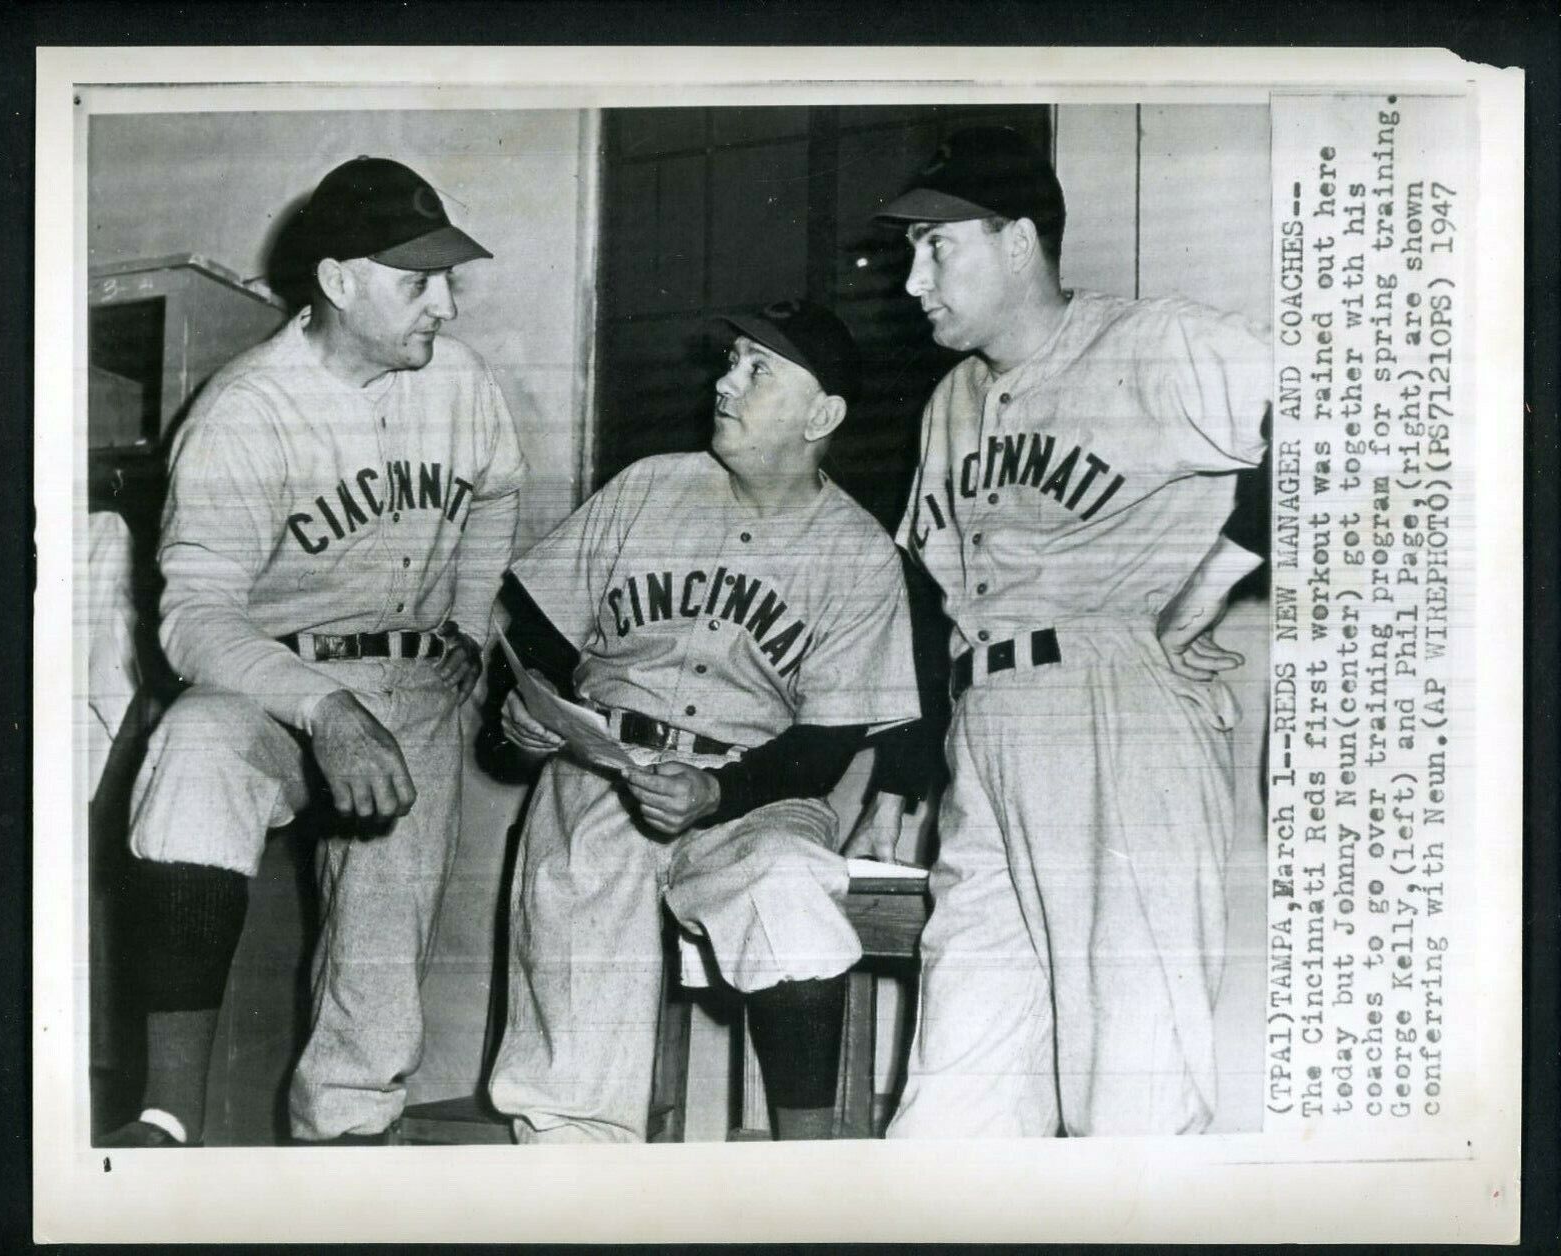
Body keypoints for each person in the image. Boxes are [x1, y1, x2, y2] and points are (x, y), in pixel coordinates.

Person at [845, 126, 1271, 1137]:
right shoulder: (950, 401)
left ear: (1020, 240)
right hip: (983, 730)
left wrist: (1216, 576)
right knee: (954, 1094)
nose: (913, 281)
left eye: (937, 247)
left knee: (1131, 1078)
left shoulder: (1151, 342)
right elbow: (929, 591)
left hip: (1112, 705)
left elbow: (1365, 410)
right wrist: (907, 775)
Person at [95, 157, 525, 1147]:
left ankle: (346, 1174)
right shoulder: (246, 409)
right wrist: (323, 709)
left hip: (413, 686)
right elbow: (194, 618)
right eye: (417, 281)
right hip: (280, 686)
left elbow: (497, 489)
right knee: (195, 752)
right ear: (338, 279)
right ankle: (164, 1120)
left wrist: (463, 616)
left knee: (375, 1011)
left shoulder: (457, 384)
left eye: (448, 277)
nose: (445, 305)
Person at [486, 300, 920, 1142]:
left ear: (821, 415)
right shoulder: (648, 486)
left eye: (760, 369)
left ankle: (808, 1184)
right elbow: (534, 638)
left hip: (756, 789)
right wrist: (517, 719)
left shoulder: (860, 552)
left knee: (792, 894)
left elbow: (826, 741)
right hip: (599, 774)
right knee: (565, 1086)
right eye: (732, 360)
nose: (725, 382)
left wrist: (716, 793)